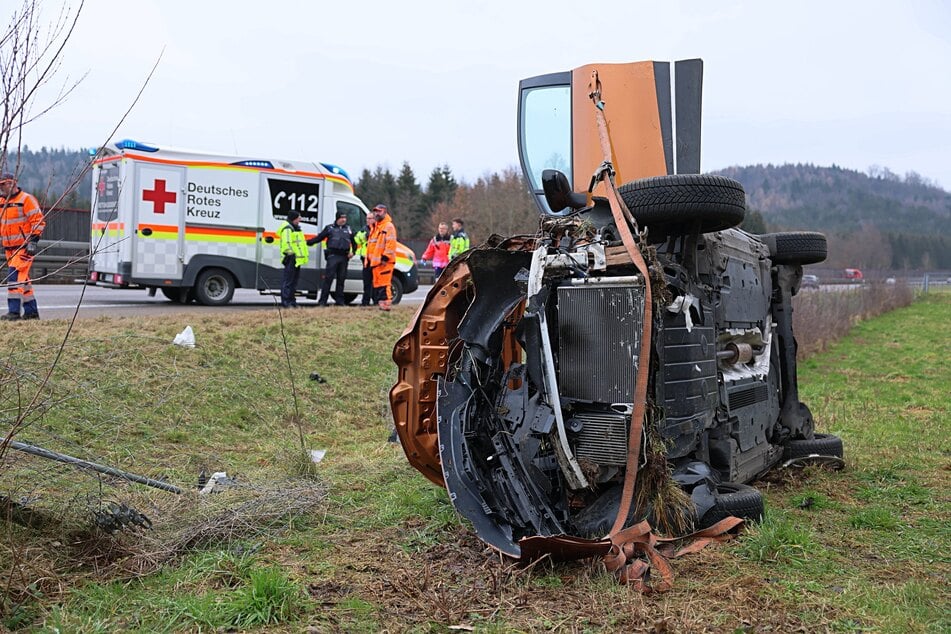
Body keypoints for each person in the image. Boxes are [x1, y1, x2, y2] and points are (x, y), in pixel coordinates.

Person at [1, 172, 45, 320]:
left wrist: (33, 241)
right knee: (23, 280)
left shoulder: (26, 199)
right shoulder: (1, 202)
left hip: (23, 247)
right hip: (9, 248)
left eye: (4, 184)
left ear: (12, 183)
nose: (2, 188)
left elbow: (38, 220)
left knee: (14, 275)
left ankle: (14, 311)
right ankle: (32, 312)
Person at [309, 209, 355, 306]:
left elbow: (354, 243)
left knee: (341, 279)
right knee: (328, 279)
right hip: (333, 256)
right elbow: (319, 238)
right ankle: (323, 301)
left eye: (345, 218)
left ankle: (340, 301)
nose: (344, 220)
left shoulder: (349, 229)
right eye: (342, 218)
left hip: (344, 257)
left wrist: (353, 252)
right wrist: (308, 242)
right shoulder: (330, 228)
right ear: (337, 218)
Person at [366, 204, 397, 311]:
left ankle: (386, 305)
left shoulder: (388, 226)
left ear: (384, 212)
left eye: (379, 211)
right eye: (375, 211)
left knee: (384, 284)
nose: (376, 213)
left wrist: (385, 258)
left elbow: (391, 243)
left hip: (384, 262)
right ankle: (382, 306)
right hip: (376, 263)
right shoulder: (376, 226)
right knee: (378, 285)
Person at [277, 210, 308, 308]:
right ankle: (286, 302)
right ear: (293, 218)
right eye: (298, 217)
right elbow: (287, 244)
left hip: (295, 259)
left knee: (293, 282)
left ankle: (292, 301)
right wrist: (291, 254)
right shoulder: (287, 228)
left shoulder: (294, 228)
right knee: (288, 282)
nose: (300, 219)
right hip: (291, 258)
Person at [353, 213, 377, 306]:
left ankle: (375, 301)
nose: (368, 220)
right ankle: (365, 301)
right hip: (365, 259)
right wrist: (364, 236)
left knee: (375, 282)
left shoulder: (378, 229)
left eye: (370, 218)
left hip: (375, 259)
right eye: (367, 218)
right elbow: (357, 239)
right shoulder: (364, 229)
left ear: (374, 219)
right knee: (366, 281)